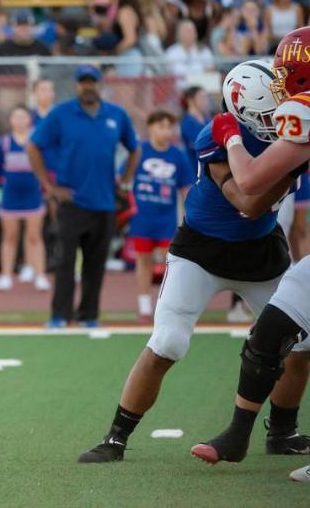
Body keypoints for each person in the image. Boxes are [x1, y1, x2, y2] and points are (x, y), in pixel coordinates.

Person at [79, 60, 310, 464]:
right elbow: (242, 200)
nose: (281, 109)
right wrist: (233, 142)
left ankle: (282, 431)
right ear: (245, 108)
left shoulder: (286, 139)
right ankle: (116, 436)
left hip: (260, 252)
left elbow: (255, 204)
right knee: (168, 341)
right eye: (271, 103)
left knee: (301, 344)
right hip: (201, 251)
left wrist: (236, 142)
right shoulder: (213, 134)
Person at [186, 28, 310, 476]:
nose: (279, 83)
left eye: (285, 72)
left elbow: (252, 185)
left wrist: (232, 138)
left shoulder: (303, 109)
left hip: (254, 207)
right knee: (274, 326)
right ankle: (239, 434)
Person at [27, 65, 140, 328]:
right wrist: (49, 185)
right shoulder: (61, 114)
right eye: (83, 82)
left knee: (96, 263)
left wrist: (125, 182)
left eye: (92, 82)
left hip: (105, 202)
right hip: (71, 201)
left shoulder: (116, 115)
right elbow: (34, 146)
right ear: (77, 85)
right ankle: (59, 316)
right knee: (65, 262)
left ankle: (89, 316)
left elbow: (134, 149)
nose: (88, 86)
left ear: (100, 85)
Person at [130, 111, 194, 320]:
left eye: (169, 127)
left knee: (171, 263)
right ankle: (144, 307)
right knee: (143, 260)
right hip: (142, 219)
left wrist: (189, 217)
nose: (166, 131)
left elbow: (186, 189)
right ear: (150, 128)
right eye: (161, 126)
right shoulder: (139, 151)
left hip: (166, 220)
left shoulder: (177, 155)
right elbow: (124, 179)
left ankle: (166, 306)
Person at [0, 105, 48, 292]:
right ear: (11, 121)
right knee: (10, 237)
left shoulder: (35, 142)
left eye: (23, 117)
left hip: (32, 195)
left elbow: (44, 166)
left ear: (29, 120)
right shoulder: (4, 144)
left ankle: (40, 275)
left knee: (34, 237)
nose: (20, 121)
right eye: (16, 117)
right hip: (11, 197)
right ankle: (6, 275)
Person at [180, 85, 211, 165]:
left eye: (206, 98)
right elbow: (202, 146)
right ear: (190, 101)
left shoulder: (207, 119)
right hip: (196, 168)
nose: (206, 101)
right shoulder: (188, 122)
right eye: (202, 98)